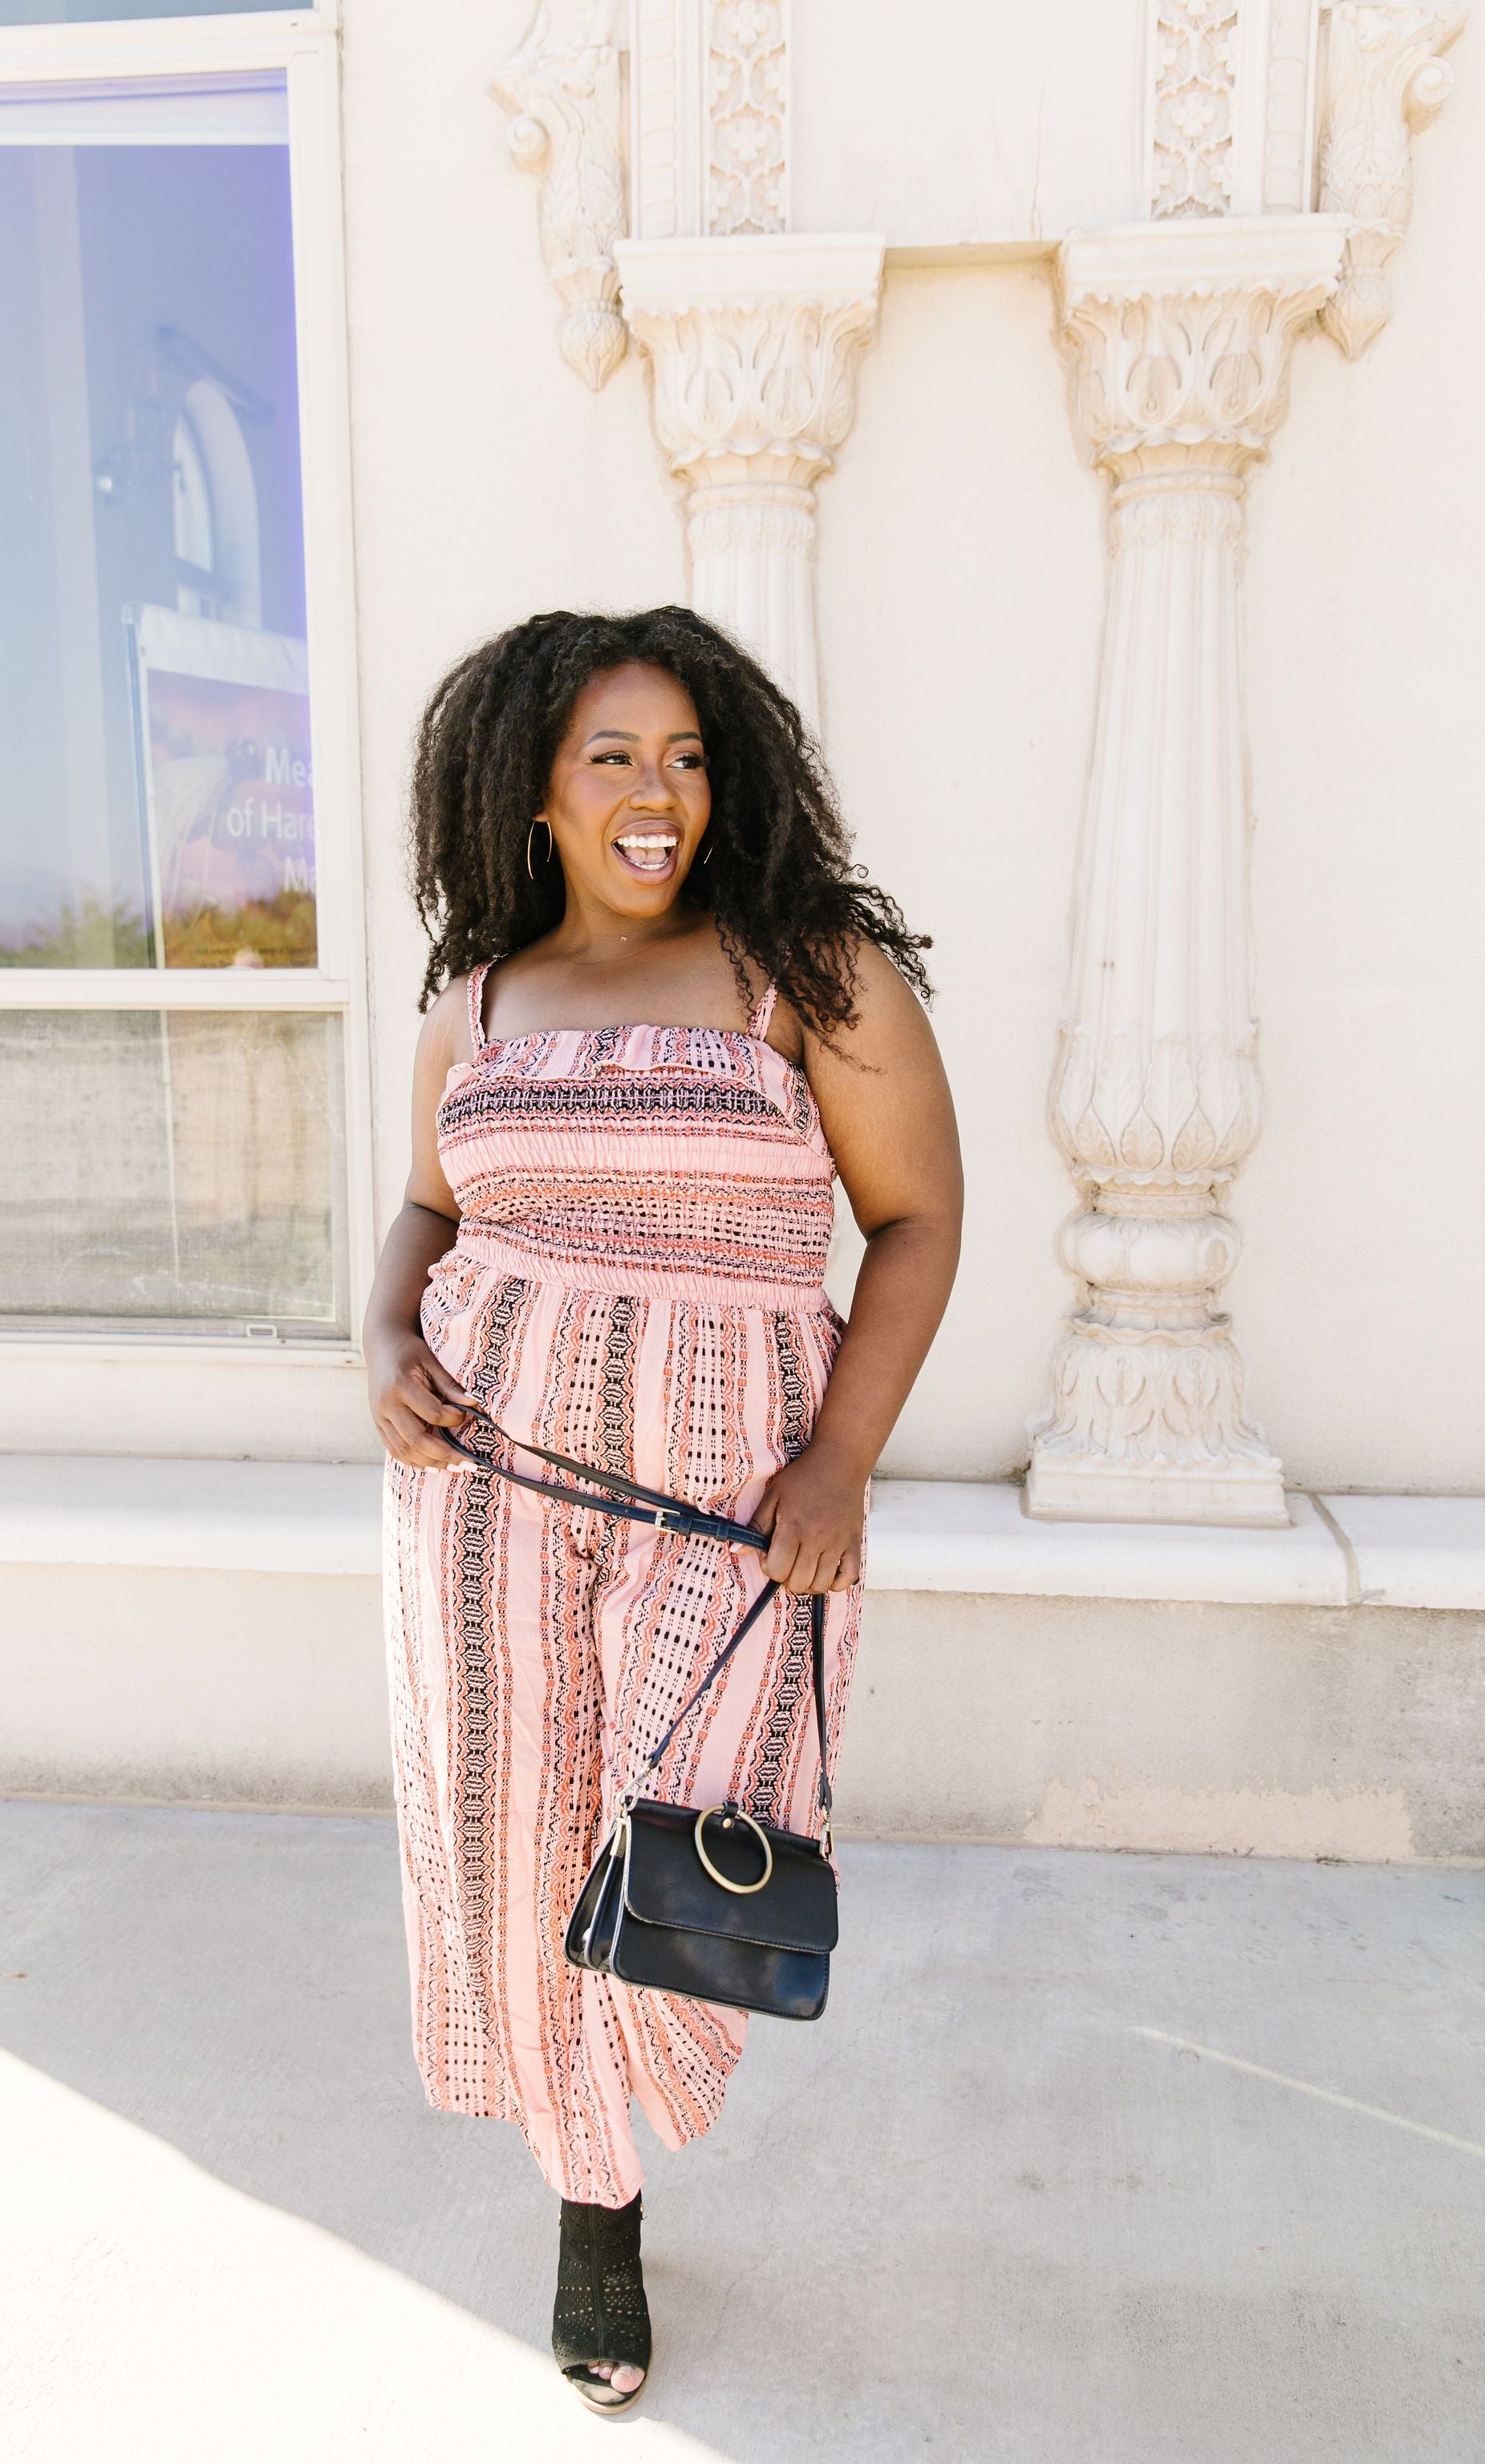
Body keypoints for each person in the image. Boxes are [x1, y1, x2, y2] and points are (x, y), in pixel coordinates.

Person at [363, 606, 962, 2414]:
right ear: (530, 792)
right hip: (486, 1510)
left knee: (692, 1852)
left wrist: (840, 1458)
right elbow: (428, 1210)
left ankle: (624, 2115)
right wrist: (383, 1332)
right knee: (527, 1849)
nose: (656, 795)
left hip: (730, 1513)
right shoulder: (476, 1001)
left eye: (687, 758)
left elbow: (919, 1220)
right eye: (610, 757)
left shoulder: (806, 969)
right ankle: (589, 2203)